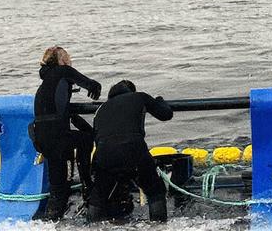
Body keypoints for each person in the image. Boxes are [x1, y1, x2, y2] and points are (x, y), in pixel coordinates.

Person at [88, 80, 174, 222]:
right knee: (155, 190)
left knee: (99, 194)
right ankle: (158, 225)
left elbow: (97, 137)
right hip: (133, 149)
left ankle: (91, 224)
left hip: (104, 152)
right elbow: (166, 114)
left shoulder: (101, 109)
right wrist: (159, 100)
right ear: (131, 91)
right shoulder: (139, 97)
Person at [31, 46, 101, 220]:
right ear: (61, 60)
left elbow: (62, 111)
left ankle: (53, 214)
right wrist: (96, 90)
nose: (71, 61)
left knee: (58, 183)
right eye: (68, 57)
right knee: (85, 139)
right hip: (57, 136)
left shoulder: (45, 83)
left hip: (41, 138)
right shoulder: (63, 71)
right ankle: (87, 184)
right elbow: (91, 84)